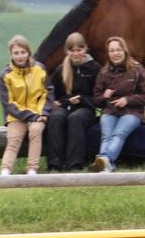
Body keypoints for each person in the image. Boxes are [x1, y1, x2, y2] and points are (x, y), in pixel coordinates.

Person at [0, 34, 53, 175]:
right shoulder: (5, 75)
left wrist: (43, 113)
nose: (20, 56)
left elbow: (47, 92)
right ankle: (5, 169)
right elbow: (8, 103)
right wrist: (30, 116)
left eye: (23, 52)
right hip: (17, 115)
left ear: (29, 52)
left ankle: (32, 168)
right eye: (16, 53)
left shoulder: (39, 69)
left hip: (38, 113)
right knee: (13, 139)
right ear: (11, 54)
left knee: (35, 131)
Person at [44, 32, 101, 171]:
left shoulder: (94, 68)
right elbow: (53, 93)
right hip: (65, 106)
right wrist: (56, 102)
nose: (76, 54)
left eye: (79, 50)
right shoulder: (61, 69)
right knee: (56, 117)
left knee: (75, 118)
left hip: (86, 109)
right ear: (67, 51)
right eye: (72, 50)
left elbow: (98, 98)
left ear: (85, 48)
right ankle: (54, 163)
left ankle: (75, 163)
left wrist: (81, 100)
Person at [90, 36, 145, 172]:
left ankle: (104, 159)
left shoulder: (137, 69)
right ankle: (107, 165)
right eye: (112, 50)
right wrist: (104, 96)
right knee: (106, 136)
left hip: (131, 113)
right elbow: (96, 101)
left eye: (118, 50)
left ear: (125, 51)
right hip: (110, 112)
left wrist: (127, 100)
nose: (115, 53)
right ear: (108, 54)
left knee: (118, 134)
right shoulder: (103, 72)